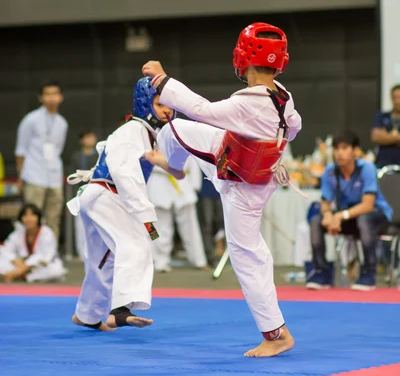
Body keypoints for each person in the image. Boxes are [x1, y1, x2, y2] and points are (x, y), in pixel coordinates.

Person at [143, 22, 302, 357]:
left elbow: (203, 109)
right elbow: (295, 125)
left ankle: (277, 336)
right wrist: (268, 141)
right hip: (243, 163)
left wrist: (162, 80)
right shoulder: (282, 96)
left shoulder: (249, 102)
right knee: (176, 130)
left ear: (242, 58)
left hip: (246, 187)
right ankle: (173, 164)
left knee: (248, 256)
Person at [67, 77, 185, 332]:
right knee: (135, 243)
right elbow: (125, 174)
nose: (168, 111)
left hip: (98, 196)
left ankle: (87, 315)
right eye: (160, 104)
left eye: (170, 106)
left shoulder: (145, 133)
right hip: (108, 196)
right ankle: (120, 310)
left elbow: (108, 151)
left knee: (103, 260)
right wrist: (143, 213)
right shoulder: (134, 131)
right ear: (145, 104)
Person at [306, 131, 392, 291]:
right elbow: (325, 202)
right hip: (349, 218)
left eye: (344, 148)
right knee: (316, 220)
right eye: (336, 149)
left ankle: (368, 273)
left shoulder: (367, 168)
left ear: (355, 151)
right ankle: (321, 272)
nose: (339, 153)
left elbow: (367, 205)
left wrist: (339, 215)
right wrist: (327, 215)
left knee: (364, 219)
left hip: (376, 217)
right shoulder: (330, 171)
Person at [15, 81, 68, 242]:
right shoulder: (30, 119)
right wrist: (20, 176)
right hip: (34, 173)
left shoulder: (62, 123)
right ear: (41, 98)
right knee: (31, 217)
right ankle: (29, 253)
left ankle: (49, 255)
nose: (51, 98)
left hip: (54, 175)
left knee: (54, 217)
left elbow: (58, 150)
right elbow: (21, 150)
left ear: (61, 97)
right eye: (47, 94)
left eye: (55, 94)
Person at [147, 155, 207, 272]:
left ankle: (198, 259)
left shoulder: (185, 136)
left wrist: (195, 184)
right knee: (159, 226)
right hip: (158, 181)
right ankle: (160, 260)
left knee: (190, 225)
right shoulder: (149, 138)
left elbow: (193, 156)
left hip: (183, 181)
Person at [0, 204, 66, 283]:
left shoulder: (46, 233)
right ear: (21, 218)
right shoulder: (18, 232)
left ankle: (22, 276)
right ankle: (21, 275)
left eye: (32, 215)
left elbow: (45, 257)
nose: (29, 219)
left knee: (56, 271)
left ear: (38, 218)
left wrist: (21, 270)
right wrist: (16, 261)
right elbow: (6, 250)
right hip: (20, 263)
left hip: (38, 266)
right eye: (25, 215)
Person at [68, 131, 98, 259]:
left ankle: (97, 253)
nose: (91, 139)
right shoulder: (76, 156)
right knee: (80, 224)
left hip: (97, 193)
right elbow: (72, 175)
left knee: (97, 223)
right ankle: (82, 252)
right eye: (87, 137)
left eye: (92, 136)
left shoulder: (100, 154)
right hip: (80, 193)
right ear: (82, 140)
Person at [371, 84, 400, 168]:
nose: (397, 101)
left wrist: (388, 136)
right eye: (395, 97)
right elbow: (375, 136)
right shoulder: (381, 116)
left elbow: (382, 136)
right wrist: (397, 138)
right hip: (384, 165)